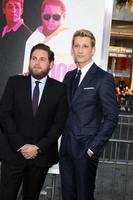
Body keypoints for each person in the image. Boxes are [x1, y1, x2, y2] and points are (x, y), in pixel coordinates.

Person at [0, 43, 68, 200]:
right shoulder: (14, 82)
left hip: (41, 157)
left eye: (42, 59)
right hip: (13, 154)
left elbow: (59, 124)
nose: (37, 63)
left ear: (51, 64)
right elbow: (4, 115)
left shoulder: (59, 89)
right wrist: (21, 146)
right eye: (34, 58)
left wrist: (38, 147)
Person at [59, 29, 119, 200]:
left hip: (86, 151)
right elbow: (61, 106)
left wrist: (93, 148)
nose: (80, 50)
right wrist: (30, 79)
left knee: (84, 196)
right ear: (72, 49)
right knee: (67, 196)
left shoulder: (103, 78)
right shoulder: (69, 76)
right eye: (76, 45)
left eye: (85, 46)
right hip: (66, 149)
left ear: (93, 50)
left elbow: (111, 117)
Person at [23, 0, 75, 81]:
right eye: (47, 17)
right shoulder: (32, 40)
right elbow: (26, 72)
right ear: (41, 15)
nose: (51, 20)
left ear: (63, 16)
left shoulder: (72, 38)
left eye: (56, 17)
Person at [0, 0, 32, 97]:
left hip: (12, 92)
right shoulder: (2, 32)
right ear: (3, 9)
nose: (13, 11)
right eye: (10, 7)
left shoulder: (28, 36)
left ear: (22, 10)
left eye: (17, 7)